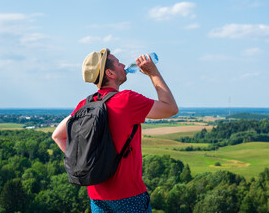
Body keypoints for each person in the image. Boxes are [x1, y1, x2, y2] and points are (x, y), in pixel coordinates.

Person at [52, 48, 178, 213]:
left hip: (97, 197)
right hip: (129, 195)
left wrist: (88, 163)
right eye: (119, 63)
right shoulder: (127, 100)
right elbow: (170, 108)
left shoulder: (85, 105)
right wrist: (153, 73)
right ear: (110, 73)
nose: (124, 65)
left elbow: (58, 136)